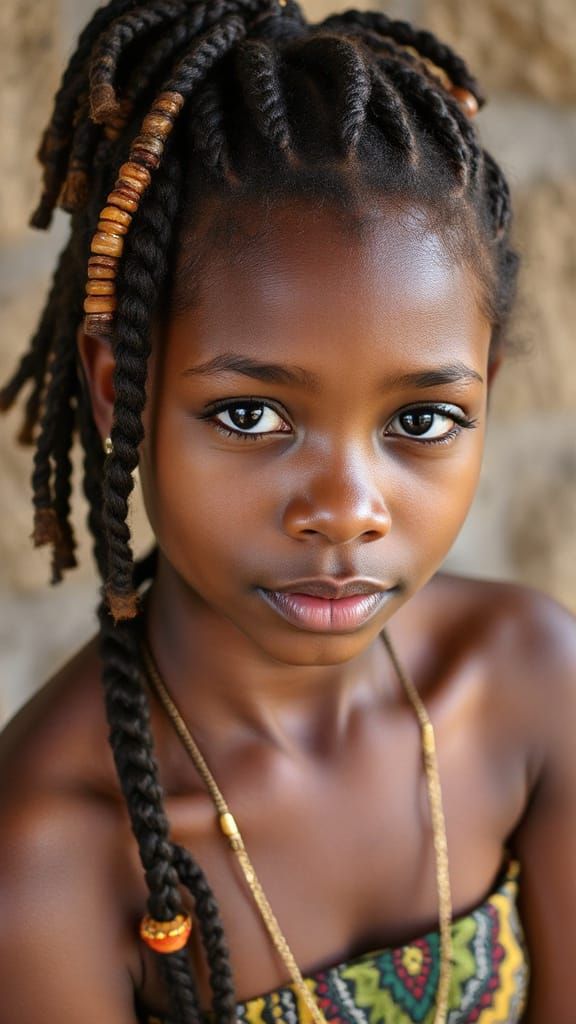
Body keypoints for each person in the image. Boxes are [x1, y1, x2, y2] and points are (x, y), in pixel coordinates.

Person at [1, 0, 575, 1021]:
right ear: (116, 385)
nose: (348, 510)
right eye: (252, 413)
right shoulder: (54, 853)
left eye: (425, 418)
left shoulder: (532, 684)